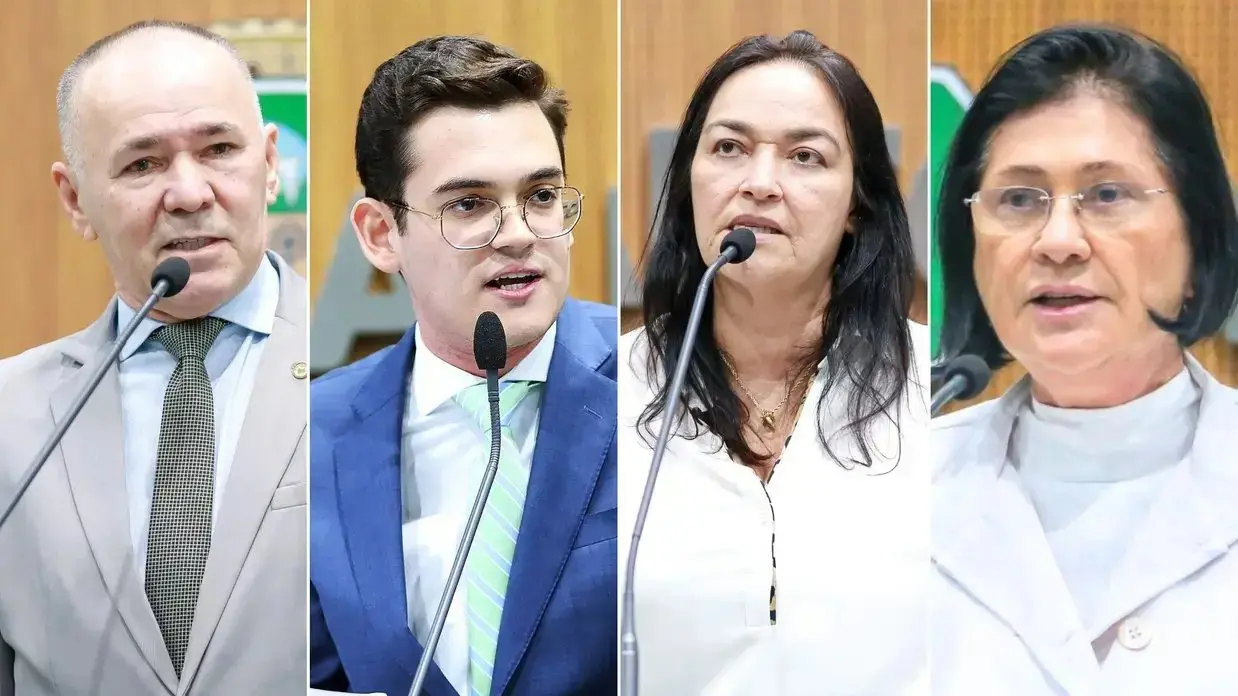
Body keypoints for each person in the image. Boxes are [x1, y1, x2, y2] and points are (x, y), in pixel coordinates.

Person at [618, 30, 930, 695]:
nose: (759, 184)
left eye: (805, 156)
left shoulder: (939, 392)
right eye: (728, 147)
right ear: (688, 183)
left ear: (857, 205)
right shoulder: (605, 395)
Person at [0, 20, 308, 696]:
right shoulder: (10, 416)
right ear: (75, 200)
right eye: (142, 164)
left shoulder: (366, 373)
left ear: (270, 163)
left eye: (219, 148)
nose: (190, 193)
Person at [933, 24, 1238, 695]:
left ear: (1199, 239)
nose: (1058, 241)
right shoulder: (891, 493)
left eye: (1106, 195)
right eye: (1019, 199)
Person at [309, 36, 618, 696]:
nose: (517, 233)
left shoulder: (659, 389)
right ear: (380, 234)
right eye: (469, 204)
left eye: (541, 195)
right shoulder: (312, 435)